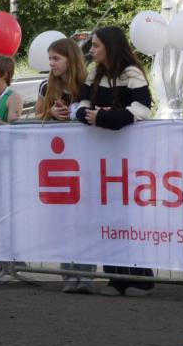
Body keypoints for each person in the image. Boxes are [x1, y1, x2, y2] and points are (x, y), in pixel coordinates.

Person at [75, 26, 154, 296]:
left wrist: (105, 118)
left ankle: (141, 279)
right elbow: (80, 105)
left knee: (129, 217)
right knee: (107, 216)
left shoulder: (132, 74)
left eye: (96, 45)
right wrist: (89, 114)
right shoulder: (94, 74)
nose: (92, 50)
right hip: (101, 155)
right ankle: (115, 278)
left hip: (128, 155)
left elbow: (141, 109)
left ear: (110, 46)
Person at [33, 38, 95, 293]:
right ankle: (68, 274)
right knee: (62, 219)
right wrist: (51, 115)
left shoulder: (86, 85)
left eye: (56, 58)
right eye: (50, 59)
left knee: (84, 219)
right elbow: (37, 115)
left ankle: (86, 276)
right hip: (56, 159)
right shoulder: (46, 85)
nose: (52, 63)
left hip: (84, 159)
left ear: (71, 58)